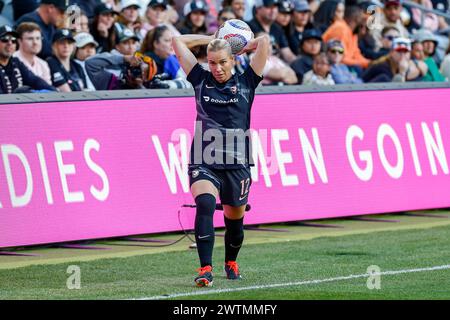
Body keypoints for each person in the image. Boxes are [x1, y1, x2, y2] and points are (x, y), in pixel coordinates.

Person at [172, 31, 269, 287]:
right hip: (203, 159)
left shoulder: (248, 81)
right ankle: (205, 268)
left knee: (234, 220)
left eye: (222, 62)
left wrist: (240, 44)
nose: (216, 68)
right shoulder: (200, 80)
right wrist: (211, 37)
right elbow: (177, 42)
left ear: (233, 60)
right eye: (212, 62)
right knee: (204, 204)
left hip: (237, 164)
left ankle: (231, 262)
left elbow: (265, 42)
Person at [0, 25, 55, 94]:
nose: (10, 43)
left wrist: (56, 93)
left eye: (13, 39)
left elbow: (35, 81)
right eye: (5, 39)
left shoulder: (15, 62)